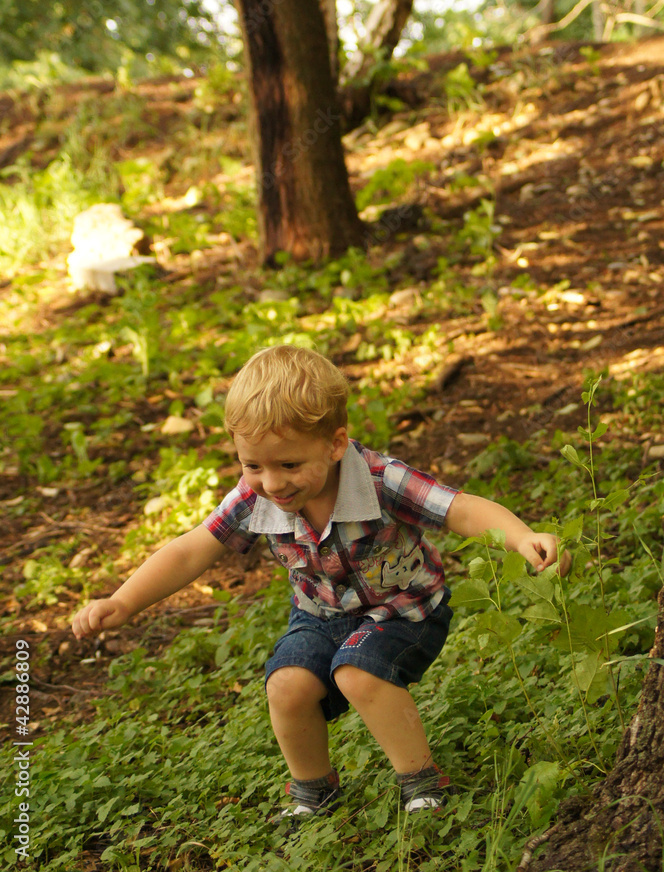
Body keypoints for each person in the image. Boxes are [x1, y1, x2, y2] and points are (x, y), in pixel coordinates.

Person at [72, 345, 570, 819]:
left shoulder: (380, 479)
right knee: (286, 686)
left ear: (335, 444)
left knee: (358, 672)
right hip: (319, 613)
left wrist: (521, 537)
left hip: (404, 609)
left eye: (288, 464)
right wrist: (123, 601)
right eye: (253, 465)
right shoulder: (258, 495)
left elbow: (458, 508)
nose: (272, 482)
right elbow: (192, 549)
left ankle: (422, 783)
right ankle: (314, 788)